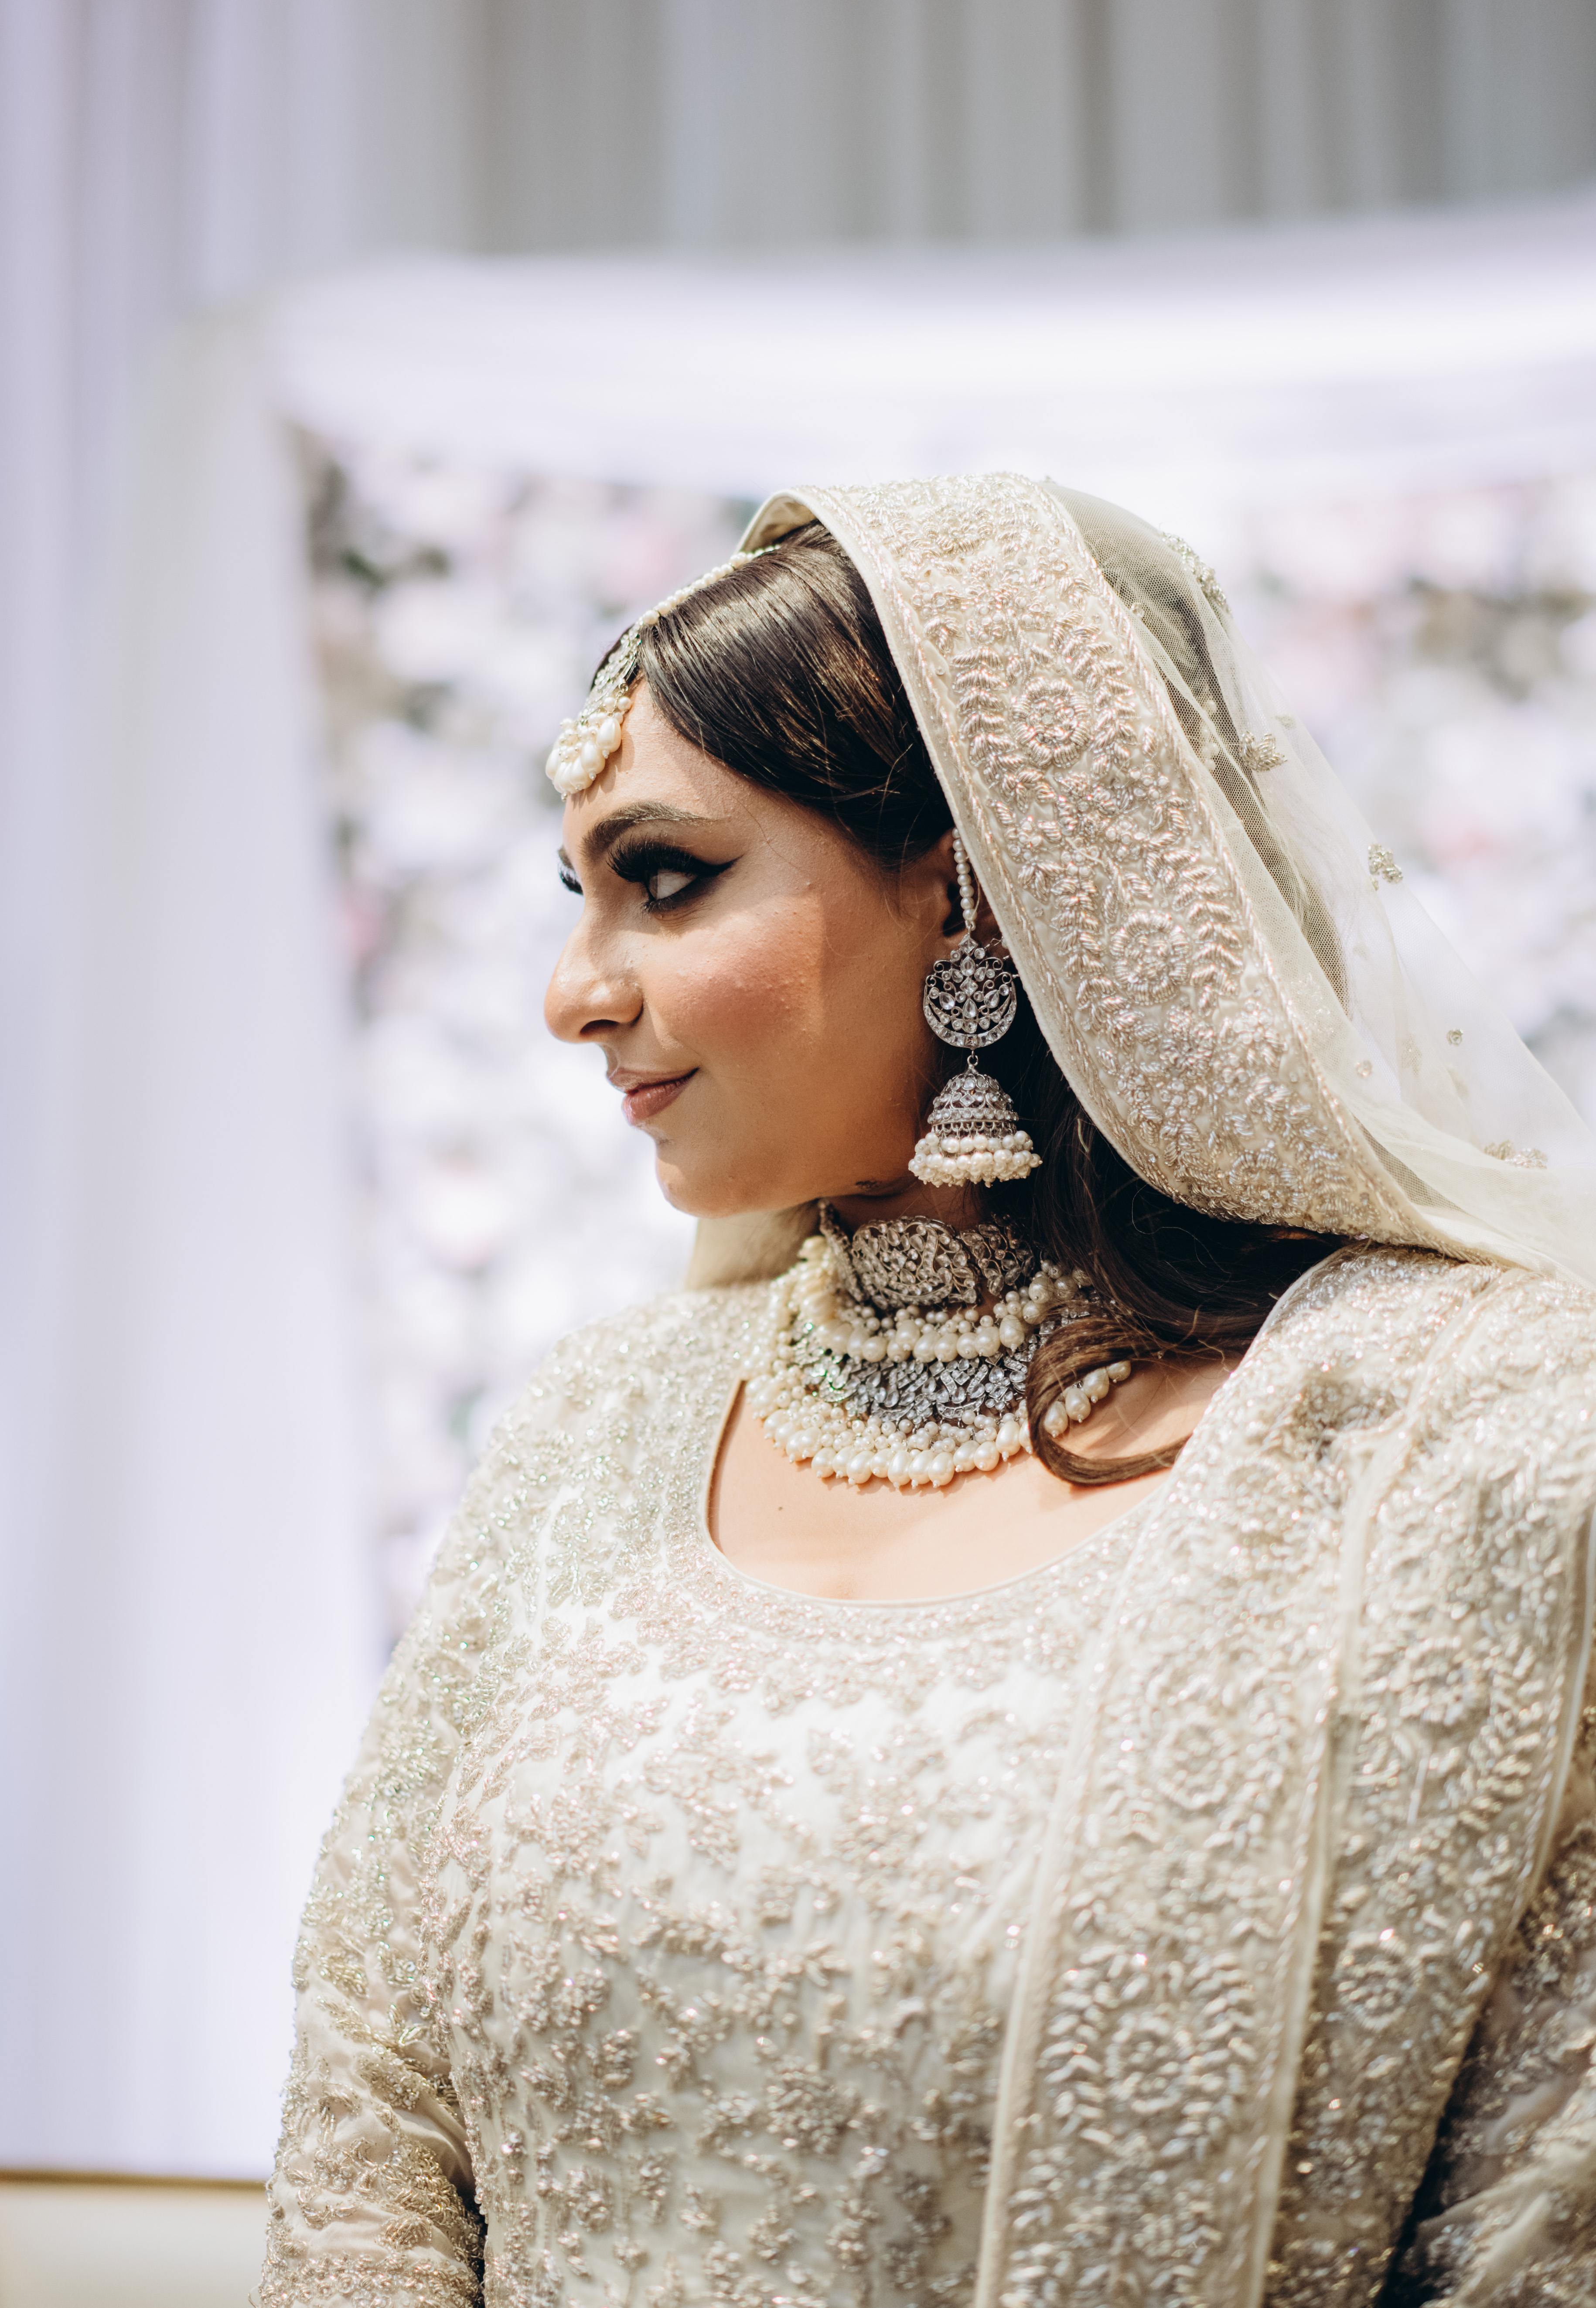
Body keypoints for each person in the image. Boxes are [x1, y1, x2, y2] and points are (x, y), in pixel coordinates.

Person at [257, 476, 1596, 2308]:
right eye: (580, 897)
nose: (575, 992)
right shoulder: (594, 1429)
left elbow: (1547, 2204)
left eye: (666, 879)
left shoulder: (1465, 1441)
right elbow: (370, 2107)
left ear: (968, 886)